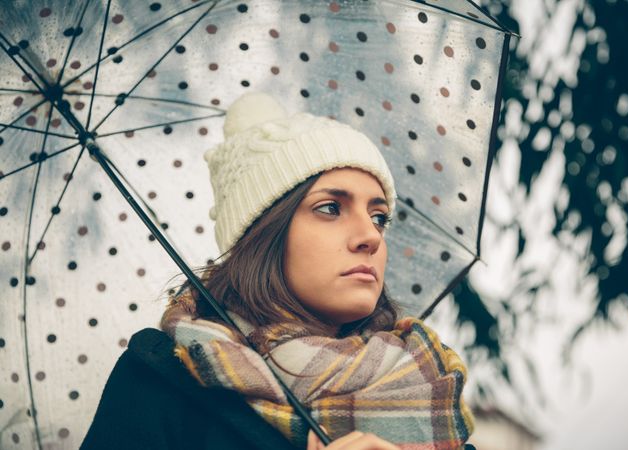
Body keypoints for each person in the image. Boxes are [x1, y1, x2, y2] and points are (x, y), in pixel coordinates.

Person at [81, 93, 474, 450]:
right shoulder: (164, 382)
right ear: (264, 236)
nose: (369, 236)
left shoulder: (427, 388)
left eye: (379, 217)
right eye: (330, 209)